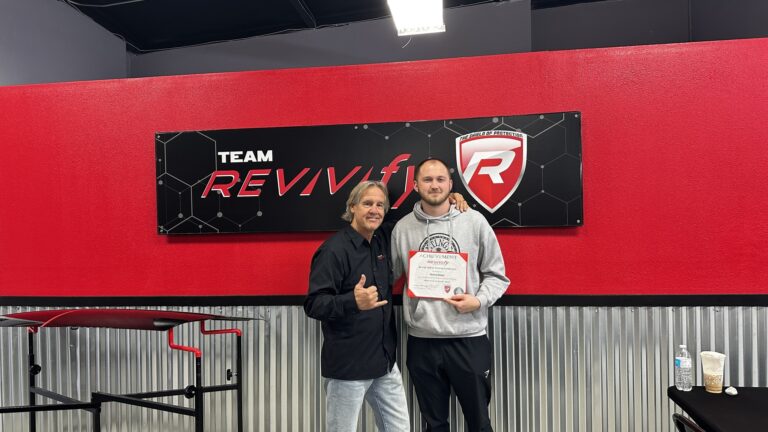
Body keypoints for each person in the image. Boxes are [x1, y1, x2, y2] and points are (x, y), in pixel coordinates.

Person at [390, 158, 510, 432]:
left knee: (479, 423)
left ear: (451, 184)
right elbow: (390, 275)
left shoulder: (474, 221)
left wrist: (478, 301)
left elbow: (498, 276)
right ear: (416, 185)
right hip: (422, 341)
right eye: (428, 180)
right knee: (434, 425)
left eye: (440, 179)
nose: (434, 185)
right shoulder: (403, 228)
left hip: (468, 339)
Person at [304, 180, 410, 432]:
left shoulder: (382, 239)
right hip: (348, 368)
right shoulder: (333, 251)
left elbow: (421, 217)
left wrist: (453, 198)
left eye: (380, 205)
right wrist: (352, 301)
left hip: (384, 363)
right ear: (352, 207)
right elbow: (314, 304)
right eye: (367, 203)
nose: (374, 210)